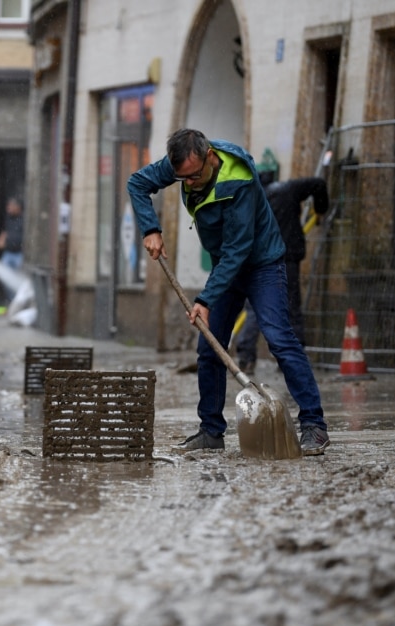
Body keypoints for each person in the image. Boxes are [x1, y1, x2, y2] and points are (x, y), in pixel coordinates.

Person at [127, 128, 330, 456]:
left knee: (279, 338)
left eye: (194, 176)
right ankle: (211, 431)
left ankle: (314, 425)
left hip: (262, 263)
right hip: (226, 265)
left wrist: (205, 299)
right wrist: (150, 228)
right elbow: (137, 183)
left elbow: (239, 249)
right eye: (183, 180)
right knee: (209, 347)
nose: (189, 184)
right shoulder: (183, 165)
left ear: (209, 157)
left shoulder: (240, 182)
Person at [234, 173, 329, 373]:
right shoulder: (288, 189)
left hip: (259, 261)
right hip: (286, 259)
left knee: (254, 310)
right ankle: (291, 359)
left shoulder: (250, 202)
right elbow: (319, 183)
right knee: (290, 307)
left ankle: (245, 358)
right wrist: (321, 210)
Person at [0, 196, 25, 303]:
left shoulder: (24, 219)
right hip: (8, 253)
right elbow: (5, 231)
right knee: (5, 278)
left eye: (11, 206)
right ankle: (12, 301)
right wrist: (1, 239)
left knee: (19, 279)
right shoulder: (8, 218)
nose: (8, 208)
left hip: (19, 254)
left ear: (18, 207)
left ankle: (19, 302)